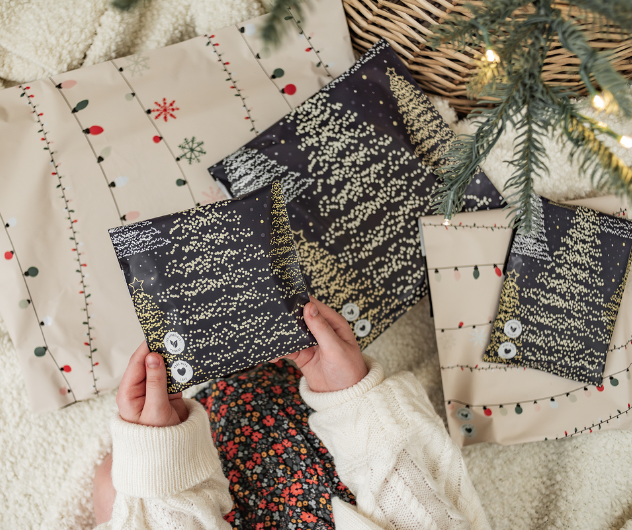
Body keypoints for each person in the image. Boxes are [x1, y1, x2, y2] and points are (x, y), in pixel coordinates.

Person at [93, 298, 490, 529]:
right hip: (334, 460)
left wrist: (160, 457)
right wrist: (352, 393)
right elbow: (428, 508)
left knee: (121, 479)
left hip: (219, 476)